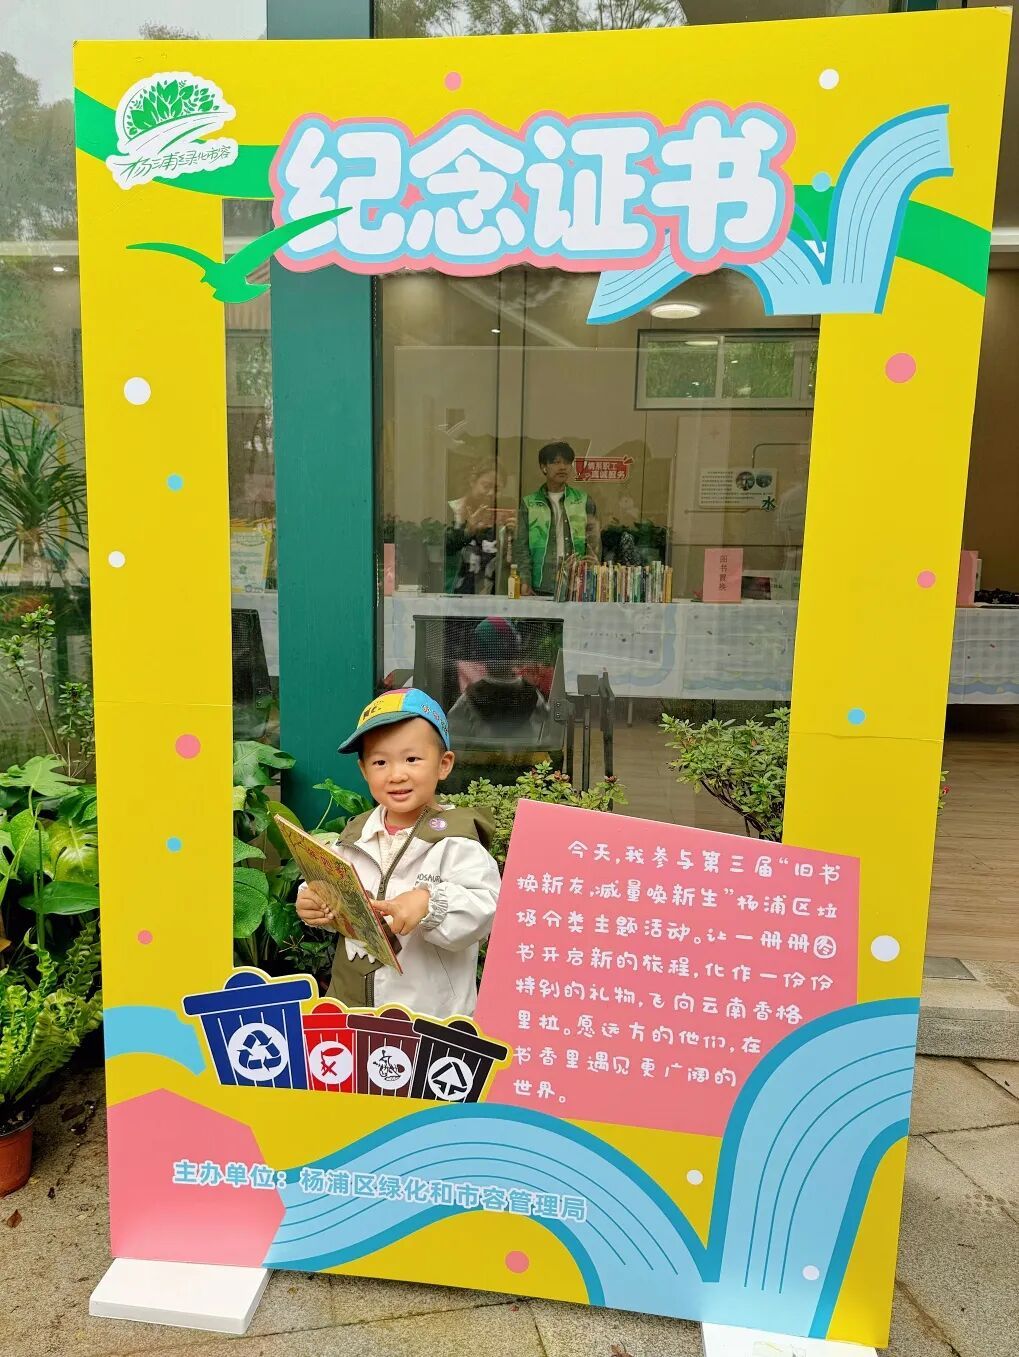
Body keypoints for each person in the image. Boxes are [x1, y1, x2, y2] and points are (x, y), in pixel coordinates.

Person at [295, 687, 500, 1019]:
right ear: (364, 771)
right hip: (351, 1010)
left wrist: (428, 903)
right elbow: (332, 886)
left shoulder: (457, 841)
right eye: (380, 762)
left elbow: (485, 909)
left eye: (412, 759)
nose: (396, 774)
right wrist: (314, 901)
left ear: (444, 764)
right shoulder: (355, 836)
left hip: (427, 1019)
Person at [513, 441, 600, 596]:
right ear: (543, 467)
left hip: (576, 584)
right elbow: (521, 546)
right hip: (541, 583)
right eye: (556, 462)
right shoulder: (529, 503)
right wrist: (524, 579)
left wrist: (592, 576)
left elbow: (593, 544)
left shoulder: (583, 500)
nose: (563, 467)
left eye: (567, 463)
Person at [447, 617, 550, 743]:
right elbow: (548, 733)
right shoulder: (533, 696)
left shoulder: (469, 699)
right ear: (515, 651)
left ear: (480, 653)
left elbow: (452, 737)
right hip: (524, 756)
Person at [445, 460, 516, 595]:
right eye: (486, 486)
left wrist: (512, 535)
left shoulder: (502, 516)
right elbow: (443, 549)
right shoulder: (453, 510)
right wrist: (468, 531)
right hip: (454, 594)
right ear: (473, 481)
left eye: (497, 489)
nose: (491, 493)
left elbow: (510, 560)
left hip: (492, 596)